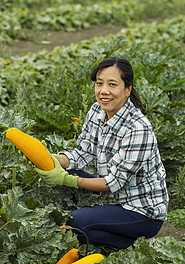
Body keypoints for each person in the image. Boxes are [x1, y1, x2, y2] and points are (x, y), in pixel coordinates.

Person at [35, 56, 169, 249]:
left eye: (112, 84)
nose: (104, 91)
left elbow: (114, 183)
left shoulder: (138, 129)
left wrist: (65, 179)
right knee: (69, 184)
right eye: (99, 84)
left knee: (74, 224)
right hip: (116, 198)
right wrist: (52, 160)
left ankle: (139, 244)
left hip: (142, 212)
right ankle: (107, 230)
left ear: (127, 89)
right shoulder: (97, 111)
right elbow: (82, 153)